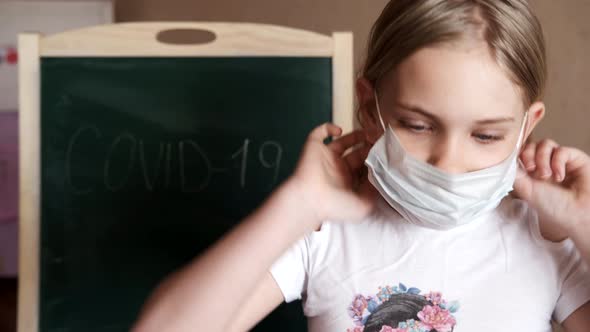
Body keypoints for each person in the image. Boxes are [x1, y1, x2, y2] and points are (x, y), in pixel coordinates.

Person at [132, 1, 590, 331]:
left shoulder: (547, 240)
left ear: (526, 128)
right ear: (370, 110)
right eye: (417, 125)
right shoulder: (323, 236)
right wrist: (297, 205)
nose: (449, 164)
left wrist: (585, 224)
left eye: (486, 135)